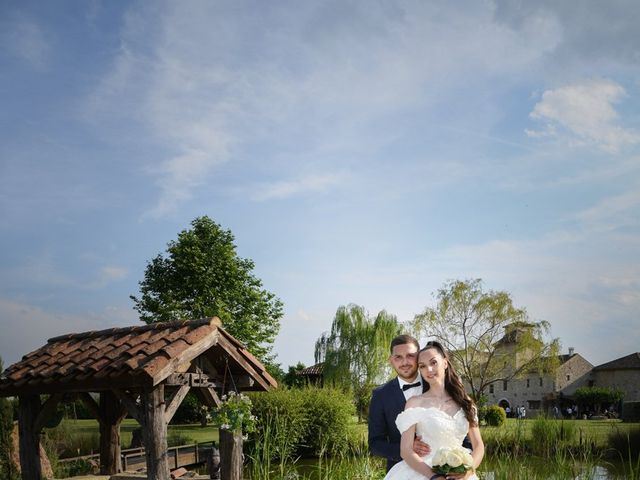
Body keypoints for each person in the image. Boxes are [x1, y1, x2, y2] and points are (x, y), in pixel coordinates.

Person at [384, 341, 484, 480]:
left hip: (459, 472)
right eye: (423, 366)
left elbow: (478, 445)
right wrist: (434, 476)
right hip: (423, 472)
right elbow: (406, 451)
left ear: (445, 363)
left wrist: (468, 471)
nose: (429, 370)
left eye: (433, 363)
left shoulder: (465, 402)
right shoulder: (415, 403)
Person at [369, 335, 431, 471]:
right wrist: (407, 449)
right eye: (398, 357)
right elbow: (375, 444)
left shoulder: (437, 386)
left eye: (410, 356)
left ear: (419, 357)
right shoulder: (380, 395)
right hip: (400, 471)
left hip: (442, 471)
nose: (405, 362)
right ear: (391, 360)